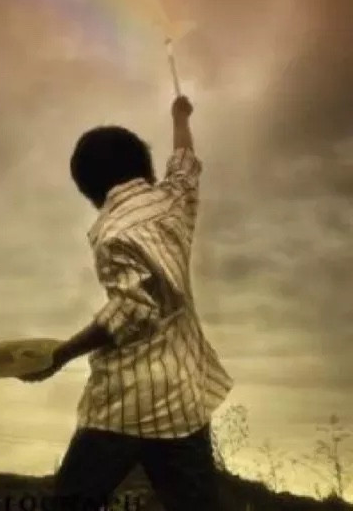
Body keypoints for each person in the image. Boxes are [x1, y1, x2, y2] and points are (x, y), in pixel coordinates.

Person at [19, 95, 233, 511]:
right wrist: (180, 117)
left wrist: (59, 355)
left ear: (88, 188)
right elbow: (185, 162)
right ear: (144, 166)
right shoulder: (174, 201)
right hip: (182, 396)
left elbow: (133, 312)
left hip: (125, 401)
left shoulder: (112, 232)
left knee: (71, 504)